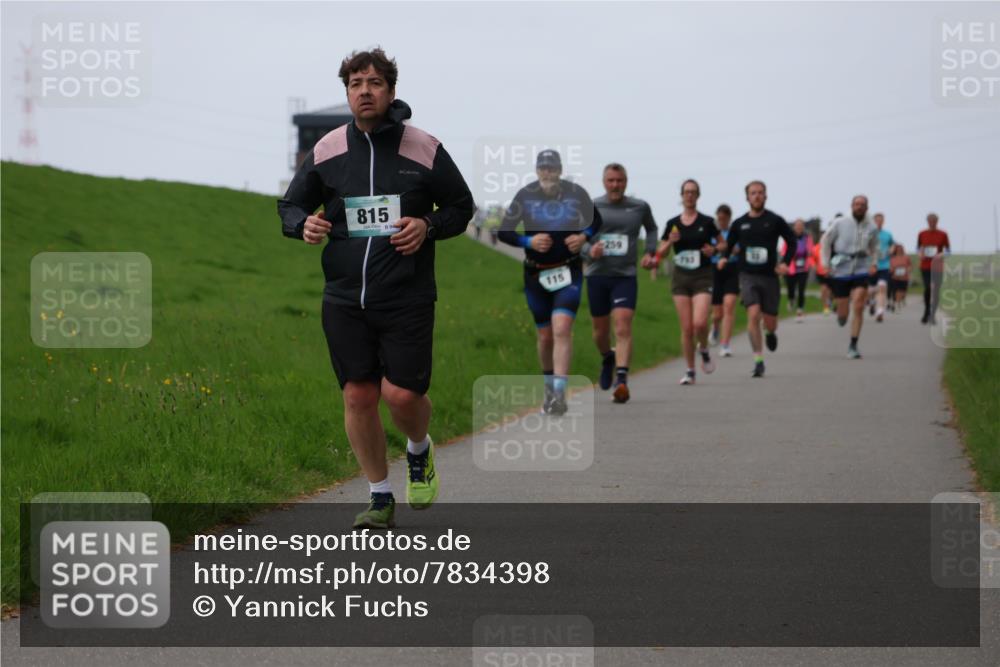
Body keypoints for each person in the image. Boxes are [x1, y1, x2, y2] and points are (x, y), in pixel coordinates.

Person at [277, 49, 474, 529]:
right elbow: (290, 206)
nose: (364, 91)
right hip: (344, 297)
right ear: (347, 92)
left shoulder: (423, 147)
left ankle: (419, 450)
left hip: (405, 295)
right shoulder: (327, 150)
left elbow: (461, 207)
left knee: (402, 396)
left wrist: (427, 225)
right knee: (358, 396)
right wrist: (303, 224)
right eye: (355, 83)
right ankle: (379, 494)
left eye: (374, 82)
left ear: (391, 90)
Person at [498, 149, 602, 415]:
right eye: (543, 168)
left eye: (552, 168)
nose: (548, 173)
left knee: (562, 328)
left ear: (560, 170)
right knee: (545, 337)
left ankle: (559, 393)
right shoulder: (525, 194)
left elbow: (596, 220)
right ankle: (548, 386)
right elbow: (504, 231)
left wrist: (584, 236)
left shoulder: (576, 193)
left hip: (569, 272)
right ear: (537, 171)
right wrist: (527, 241)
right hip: (536, 275)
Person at [586, 163, 658, 403]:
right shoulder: (592, 206)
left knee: (623, 326)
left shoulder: (639, 207)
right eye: (611, 180)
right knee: (600, 332)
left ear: (626, 182)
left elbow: (652, 228)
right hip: (597, 275)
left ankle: (622, 380)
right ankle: (608, 357)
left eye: (619, 180)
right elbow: (577, 238)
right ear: (604, 182)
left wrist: (650, 252)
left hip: (625, 276)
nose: (615, 185)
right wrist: (589, 249)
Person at [717, 180, 795, 378]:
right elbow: (729, 244)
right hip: (747, 275)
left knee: (770, 322)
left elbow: (791, 241)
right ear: (747, 197)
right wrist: (724, 258)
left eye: (760, 192)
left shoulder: (775, 220)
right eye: (753, 193)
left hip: (770, 276)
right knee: (753, 315)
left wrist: (785, 262)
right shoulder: (739, 223)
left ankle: (770, 333)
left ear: (766, 196)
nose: (757, 196)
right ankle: (758, 360)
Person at [653, 179, 726, 384]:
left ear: (698, 195)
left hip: (703, 275)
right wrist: (670, 241)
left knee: (700, 322)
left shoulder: (707, 222)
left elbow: (723, 244)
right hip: (681, 277)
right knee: (686, 328)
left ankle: (703, 347)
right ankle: (690, 371)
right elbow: (661, 253)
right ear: (682, 196)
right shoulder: (672, 224)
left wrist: (714, 250)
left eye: (693, 192)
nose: (690, 195)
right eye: (686, 192)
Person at [820, 196, 879, 359]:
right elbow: (825, 241)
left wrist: (874, 263)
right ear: (852, 206)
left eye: (862, 205)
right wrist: (825, 263)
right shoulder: (840, 223)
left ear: (867, 208)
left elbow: (875, 247)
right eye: (856, 204)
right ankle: (841, 315)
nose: (859, 207)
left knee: (859, 304)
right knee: (843, 311)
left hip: (861, 266)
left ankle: (853, 344)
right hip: (841, 268)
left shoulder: (871, 226)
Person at [710, 204, 739, 357]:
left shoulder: (734, 232)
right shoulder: (713, 233)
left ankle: (725, 344)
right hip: (715, 270)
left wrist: (734, 249)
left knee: (729, 306)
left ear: (729, 218)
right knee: (717, 314)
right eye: (719, 218)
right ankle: (714, 327)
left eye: (725, 219)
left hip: (732, 269)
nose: (722, 221)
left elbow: (739, 248)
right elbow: (708, 250)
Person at [916, 213, 950, 325]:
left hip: (938, 266)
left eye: (934, 221)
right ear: (927, 222)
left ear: (937, 221)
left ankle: (933, 314)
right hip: (925, 265)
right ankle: (926, 310)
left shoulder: (943, 234)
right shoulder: (922, 233)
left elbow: (948, 250)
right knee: (928, 288)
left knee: (936, 290)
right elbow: (918, 248)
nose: (932, 223)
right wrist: (920, 254)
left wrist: (942, 255)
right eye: (930, 221)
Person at [779, 219, 814, 322]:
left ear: (803, 227)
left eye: (801, 226)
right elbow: (783, 251)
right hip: (791, 267)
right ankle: (791, 299)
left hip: (803, 267)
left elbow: (810, 250)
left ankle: (800, 310)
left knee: (801, 289)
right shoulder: (789, 236)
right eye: (797, 226)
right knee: (791, 288)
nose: (799, 228)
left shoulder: (807, 237)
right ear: (794, 227)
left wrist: (808, 254)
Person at [869, 212, 894, 322]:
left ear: (883, 222)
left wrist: (890, 250)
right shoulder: (868, 234)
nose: (879, 222)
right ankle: (872, 302)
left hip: (884, 265)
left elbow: (893, 245)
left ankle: (880, 312)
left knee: (882, 288)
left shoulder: (887, 234)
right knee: (871, 290)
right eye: (877, 220)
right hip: (871, 265)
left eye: (881, 220)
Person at [811, 237, 832, 315]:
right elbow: (812, 259)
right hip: (820, 272)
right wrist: (814, 266)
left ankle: (829, 301)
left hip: (830, 272)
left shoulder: (831, 248)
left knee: (830, 290)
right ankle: (825, 307)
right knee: (823, 289)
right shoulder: (816, 248)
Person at [889, 243, 911, 310]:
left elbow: (910, 265)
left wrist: (908, 270)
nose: (899, 250)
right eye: (898, 249)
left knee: (903, 290)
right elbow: (890, 267)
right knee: (897, 290)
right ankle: (897, 304)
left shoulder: (906, 257)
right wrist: (891, 270)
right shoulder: (892, 258)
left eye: (900, 249)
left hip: (904, 277)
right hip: (895, 277)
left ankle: (902, 299)